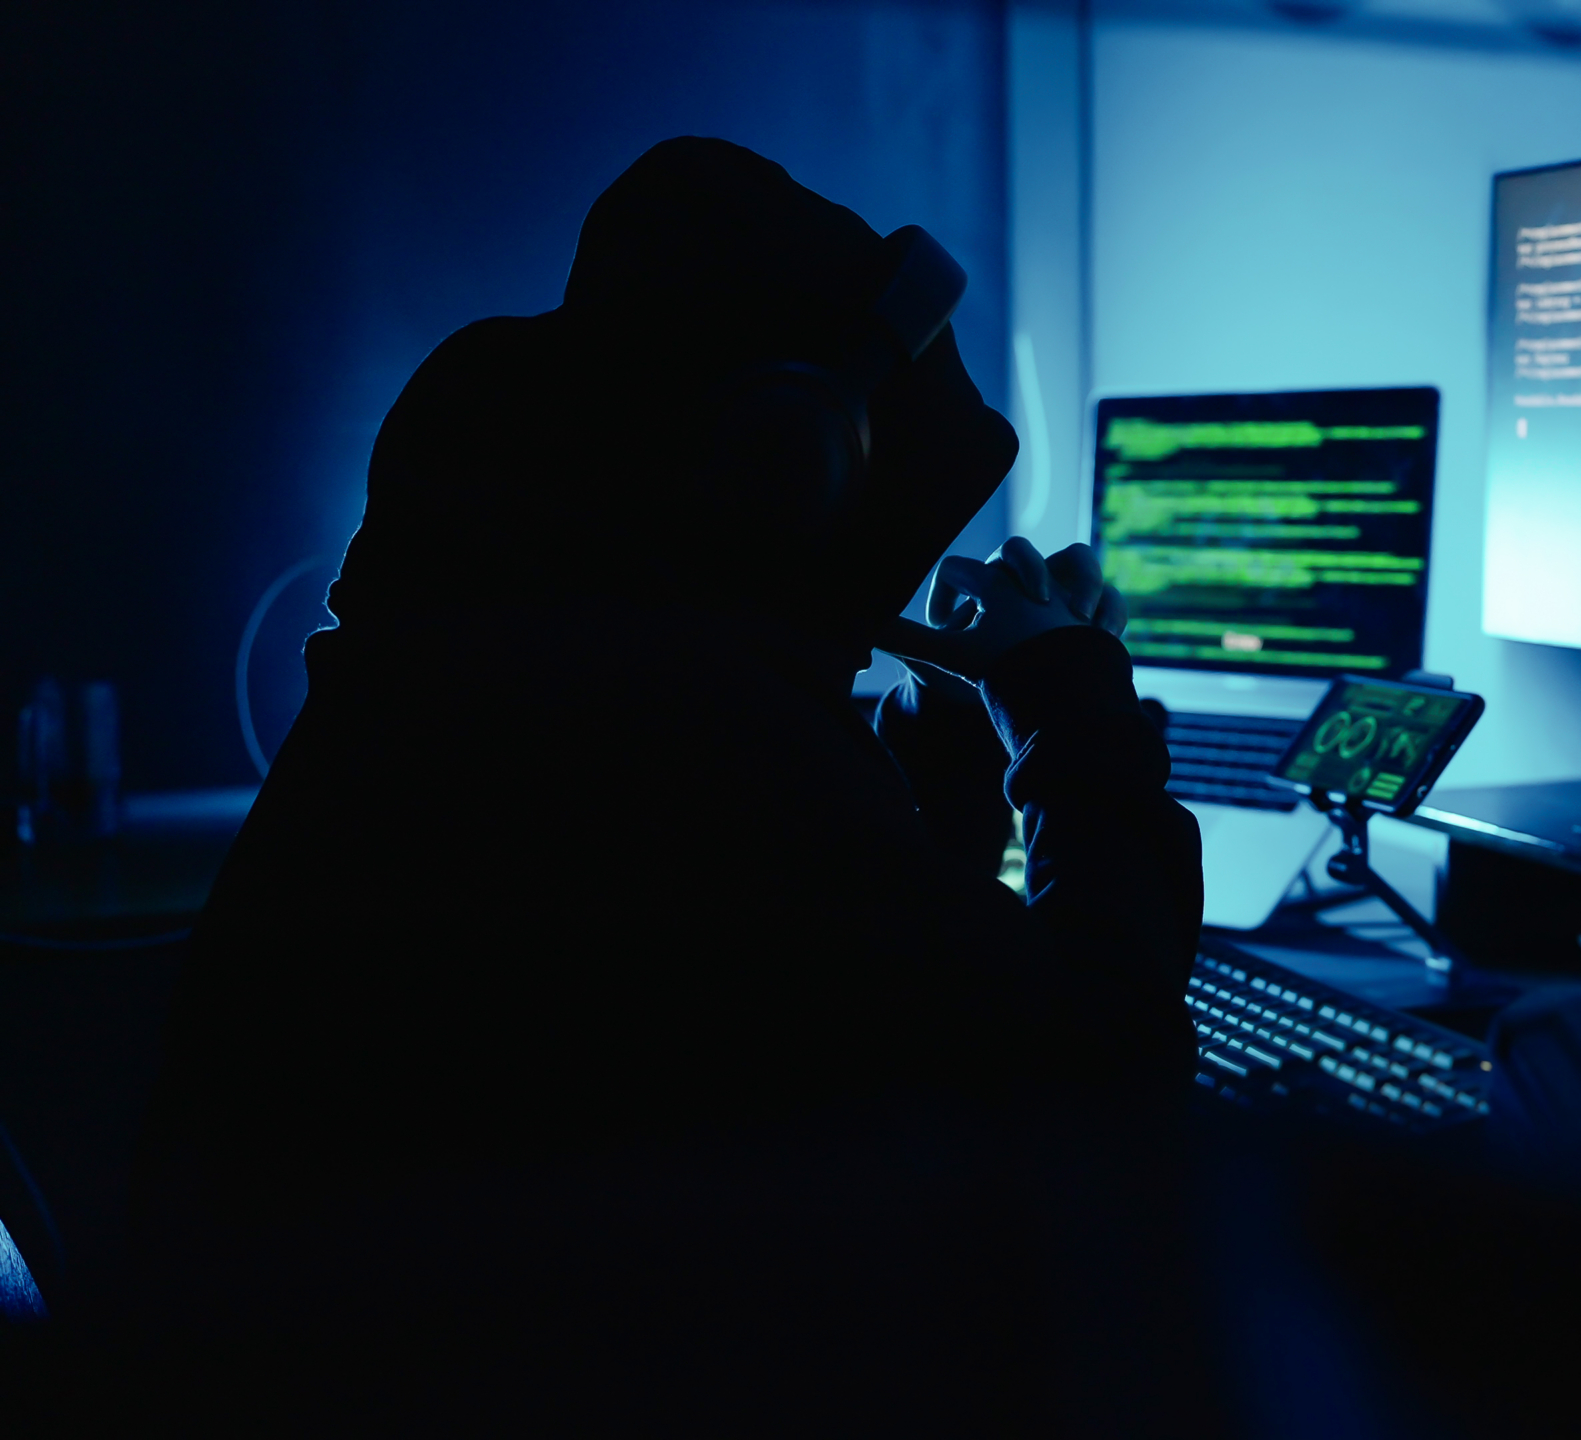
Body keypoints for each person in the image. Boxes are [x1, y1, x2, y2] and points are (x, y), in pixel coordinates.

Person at [114, 141, 1210, 1428]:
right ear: (785, 460)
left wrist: (953, 744)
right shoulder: (664, 741)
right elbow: (1100, 1101)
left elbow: (866, 992)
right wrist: (1074, 709)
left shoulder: (493, 634)